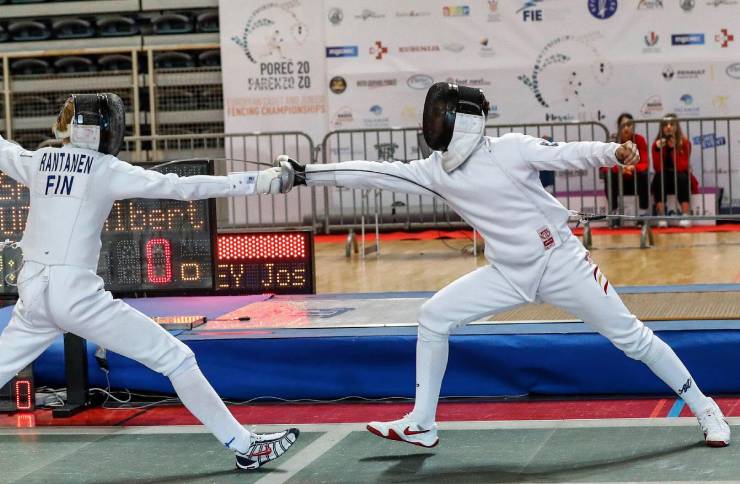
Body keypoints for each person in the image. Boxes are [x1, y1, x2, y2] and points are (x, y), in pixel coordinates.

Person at [269, 82, 730, 450]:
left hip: (560, 263)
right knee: (434, 316)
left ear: (460, 120)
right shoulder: (435, 170)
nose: (432, 126)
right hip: (508, 272)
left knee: (633, 338)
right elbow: (373, 171)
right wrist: (308, 173)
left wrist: (613, 152)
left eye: (439, 116)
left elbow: (565, 155)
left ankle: (705, 406)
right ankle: (421, 424)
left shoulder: (508, 148)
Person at [0, 94, 298, 477]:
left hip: (34, 298)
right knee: (177, 358)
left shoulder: (40, 162)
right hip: (76, 296)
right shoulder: (105, 169)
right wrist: (262, 181)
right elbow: (182, 188)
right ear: (103, 131)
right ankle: (243, 447)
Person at [600, 113, 649, 227]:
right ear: (619, 127)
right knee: (610, 176)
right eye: (623, 125)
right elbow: (604, 166)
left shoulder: (639, 140)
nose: (626, 128)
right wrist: (620, 169)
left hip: (634, 178)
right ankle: (615, 214)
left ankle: (642, 214)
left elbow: (645, 163)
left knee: (643, 174)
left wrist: (633, 167)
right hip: (618, 180)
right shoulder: (613, 141)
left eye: (629, 125)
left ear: (633, 126)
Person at [651, 114, 692, 228]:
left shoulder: (685, 143)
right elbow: (657, 167)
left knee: (681, 177)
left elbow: (682, 166)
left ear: (676, 126)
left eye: (671, 124)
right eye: (665, 125)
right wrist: (659, 149)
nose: (668, 127)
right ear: (662, 128)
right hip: (664, 177)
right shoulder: (656, 144)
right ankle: (662, 216)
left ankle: (685, 215)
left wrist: (675, 148)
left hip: (679, 176)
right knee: (659, 177)